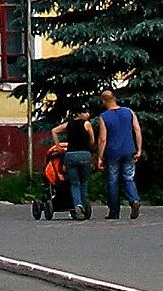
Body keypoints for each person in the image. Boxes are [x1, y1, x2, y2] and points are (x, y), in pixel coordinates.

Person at [97, 88, 143, 219]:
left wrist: (99, 157)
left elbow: (103, 139)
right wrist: (139, 149)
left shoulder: (104, 117)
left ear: (104, 101)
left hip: (112, 153)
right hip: (129, 150)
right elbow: (137, 130)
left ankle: (114, 211)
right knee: (128, 177)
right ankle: (134, 200)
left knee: (112, 181)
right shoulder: (128, 112)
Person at [53, 103, 96, 218]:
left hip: (70, 155)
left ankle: (77, 205)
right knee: (83, 182)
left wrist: (57, 147)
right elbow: (92, 141)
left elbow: (54, 131)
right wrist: (92, 148)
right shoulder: (87, 124)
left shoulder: (69, 124)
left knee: (74, 183)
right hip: (84, 155)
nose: (88, 114)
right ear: (80, 114)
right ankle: (82, 205)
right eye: (86, 112)